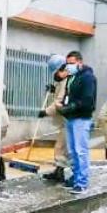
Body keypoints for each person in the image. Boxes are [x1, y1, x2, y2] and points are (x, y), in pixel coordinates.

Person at [55, 50, 97, 194]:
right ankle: (75, 177)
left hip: (81, 118)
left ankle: (82, 182)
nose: (69, 66)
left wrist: (71, 107)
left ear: (80, 62)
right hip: (71, 118)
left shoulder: (87, 77)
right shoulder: (73, 76)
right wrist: (66, 107)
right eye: (68, 64)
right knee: (73, 152)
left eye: (72, 63)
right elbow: (58, 77)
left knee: (81, 151)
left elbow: (87, 100)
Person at [37, 55, 72, 183]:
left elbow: (59, 103)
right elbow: (59, 92)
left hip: (68, 120)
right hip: (66, 120)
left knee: (61, 146)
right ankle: (59, 170)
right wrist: (53, 90)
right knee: (62, 146)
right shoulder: (64, 80)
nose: (55, 75)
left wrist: (45, 112)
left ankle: (61, 173)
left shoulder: (67, 81)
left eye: (56, 72)